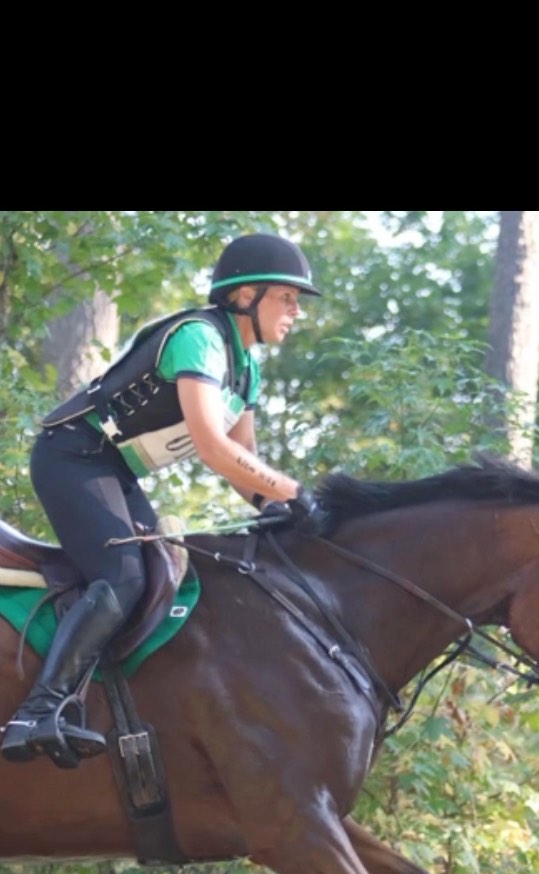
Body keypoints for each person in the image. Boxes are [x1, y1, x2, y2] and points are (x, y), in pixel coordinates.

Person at [1, 232, 323, 769]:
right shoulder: (199, 338)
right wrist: (297, 493)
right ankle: (39, 709)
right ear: (245, 296)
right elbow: (212, 447)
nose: (295, 312)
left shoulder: (247, 369)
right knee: (124, 576)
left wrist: (276, 510)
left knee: (157, 570)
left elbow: (245, 467)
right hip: (71, 457)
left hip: (111, 469)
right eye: (286, 298)